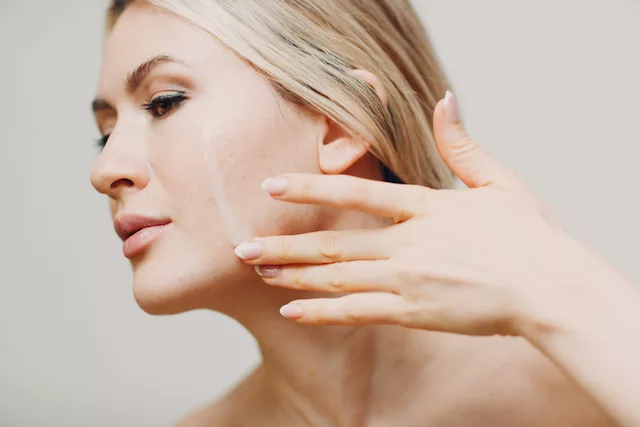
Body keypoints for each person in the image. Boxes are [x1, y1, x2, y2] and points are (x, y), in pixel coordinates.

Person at [90, 0, 630, 425]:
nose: (106, 169)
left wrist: (558, 288)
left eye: (164, 103)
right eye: (105, 133)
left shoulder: (589, 388)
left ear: (341, 124)